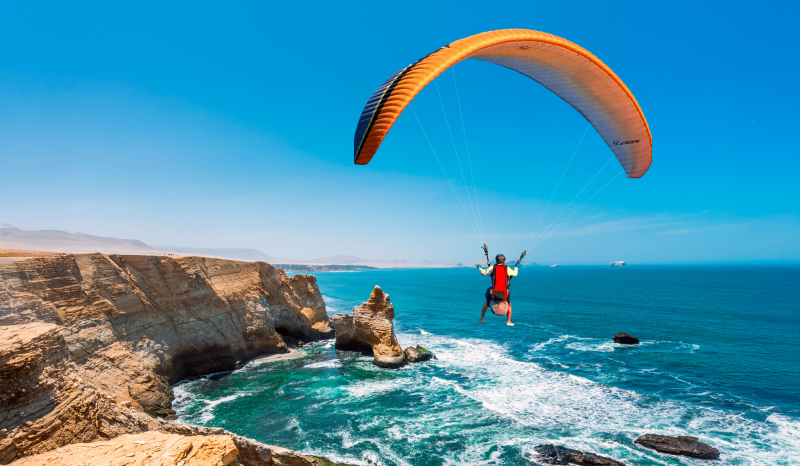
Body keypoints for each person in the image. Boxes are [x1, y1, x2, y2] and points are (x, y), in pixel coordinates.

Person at [476, 254, 518, 326]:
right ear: (504, 261)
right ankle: (508, 321)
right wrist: (516, 267)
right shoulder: (507, 268)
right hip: (504, 294)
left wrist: (479, 268)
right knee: (509, 304)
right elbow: (515, 273)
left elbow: (483, 272)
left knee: (487, 295)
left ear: (496, 260)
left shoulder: (493, 267)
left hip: (494, 294)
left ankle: (482, 318)